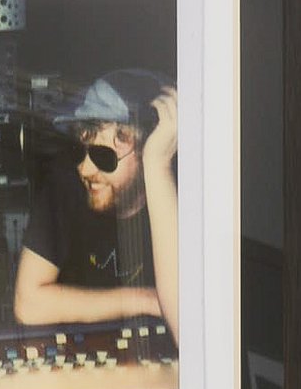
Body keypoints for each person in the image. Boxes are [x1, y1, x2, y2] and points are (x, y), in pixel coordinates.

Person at [14, 68, 179, 343]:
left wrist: (158, 166)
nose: (85, 169)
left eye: (104, 157)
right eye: (81, 151)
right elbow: (28, 304)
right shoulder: (65, 182)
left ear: (150, 149)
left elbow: (190, 327)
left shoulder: (181, 191)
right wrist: (147, 300)